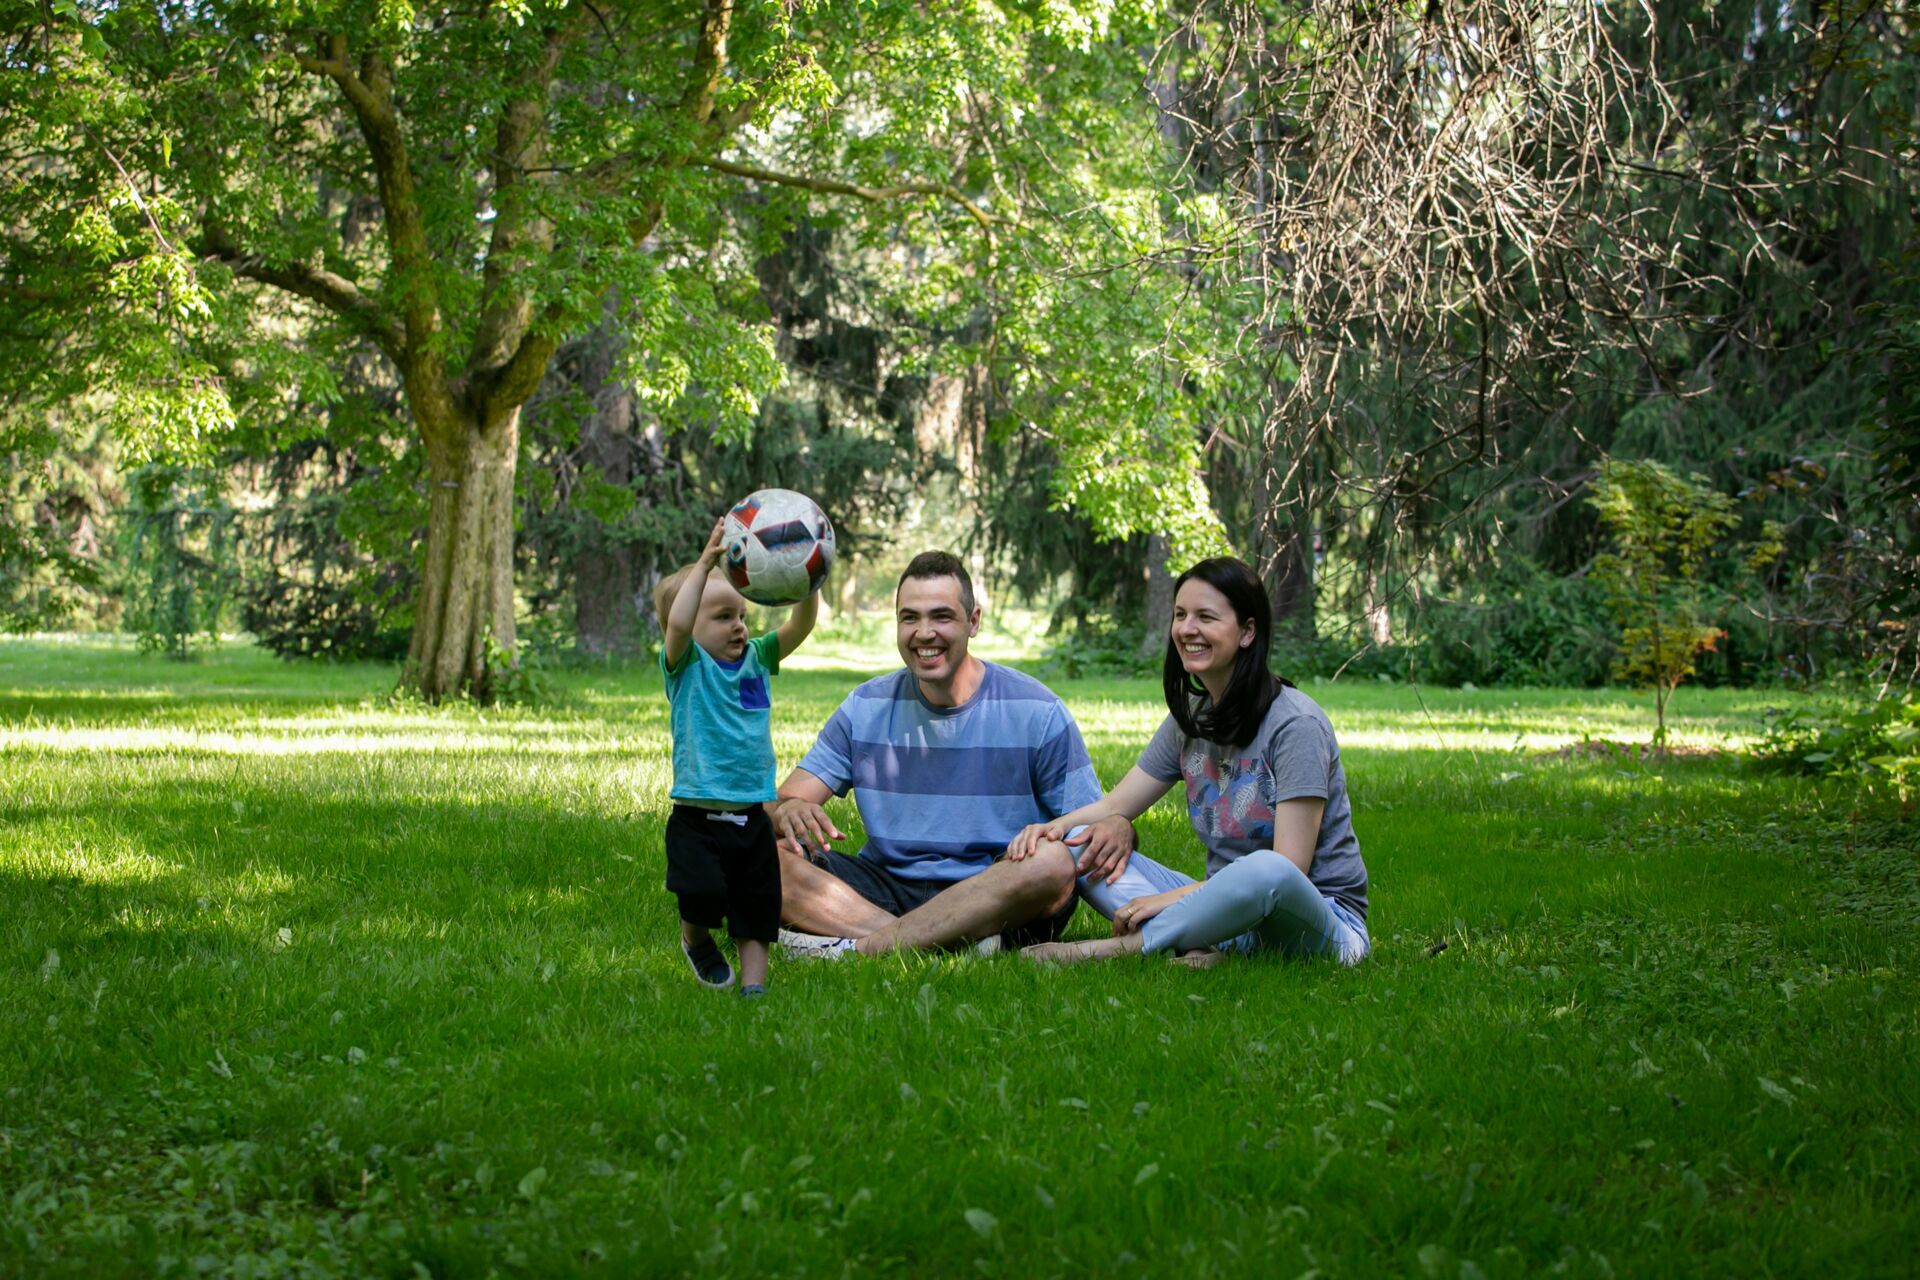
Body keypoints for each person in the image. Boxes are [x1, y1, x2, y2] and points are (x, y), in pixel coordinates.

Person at [771, 551, 1134, 958]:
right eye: (910, 618)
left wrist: (1119, 823)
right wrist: (786, 810)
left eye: (941, 617)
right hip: (884, 887)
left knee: (1051, 862)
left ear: (973, 621)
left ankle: (858, 948)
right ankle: (934, 945)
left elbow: (1091, 825)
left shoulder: (1037, 709)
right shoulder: (865, 706)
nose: (924, 633)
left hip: (998, 890)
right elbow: (784, 801)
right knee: (758, 856)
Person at [1013, 556, 1370, 966]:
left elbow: (1291, 867)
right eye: (1181, 614)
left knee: (1267, 869)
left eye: (1206, 617)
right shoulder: (1192, 720)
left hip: (1322, 927)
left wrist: (1170, 899)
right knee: (1079, 844)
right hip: (1222, 908)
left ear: (1248, 631)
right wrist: (1050, 829)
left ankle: (1123, 948)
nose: (1187, 629)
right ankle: (1214, 946)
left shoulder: (1296, 726)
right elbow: (1115, 806)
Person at [655, 518, 820, 996]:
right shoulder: (684, 664)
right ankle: (696, 940)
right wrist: (705, 563)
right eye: (723, 617)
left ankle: (755, 989)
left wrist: (807, 577)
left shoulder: (758, 657)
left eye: (742, 615)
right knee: (701, 894)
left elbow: (802, 623)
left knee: (756, 906)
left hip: (751, 814)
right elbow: (681, 623)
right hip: (697, 816)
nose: (739, 626)